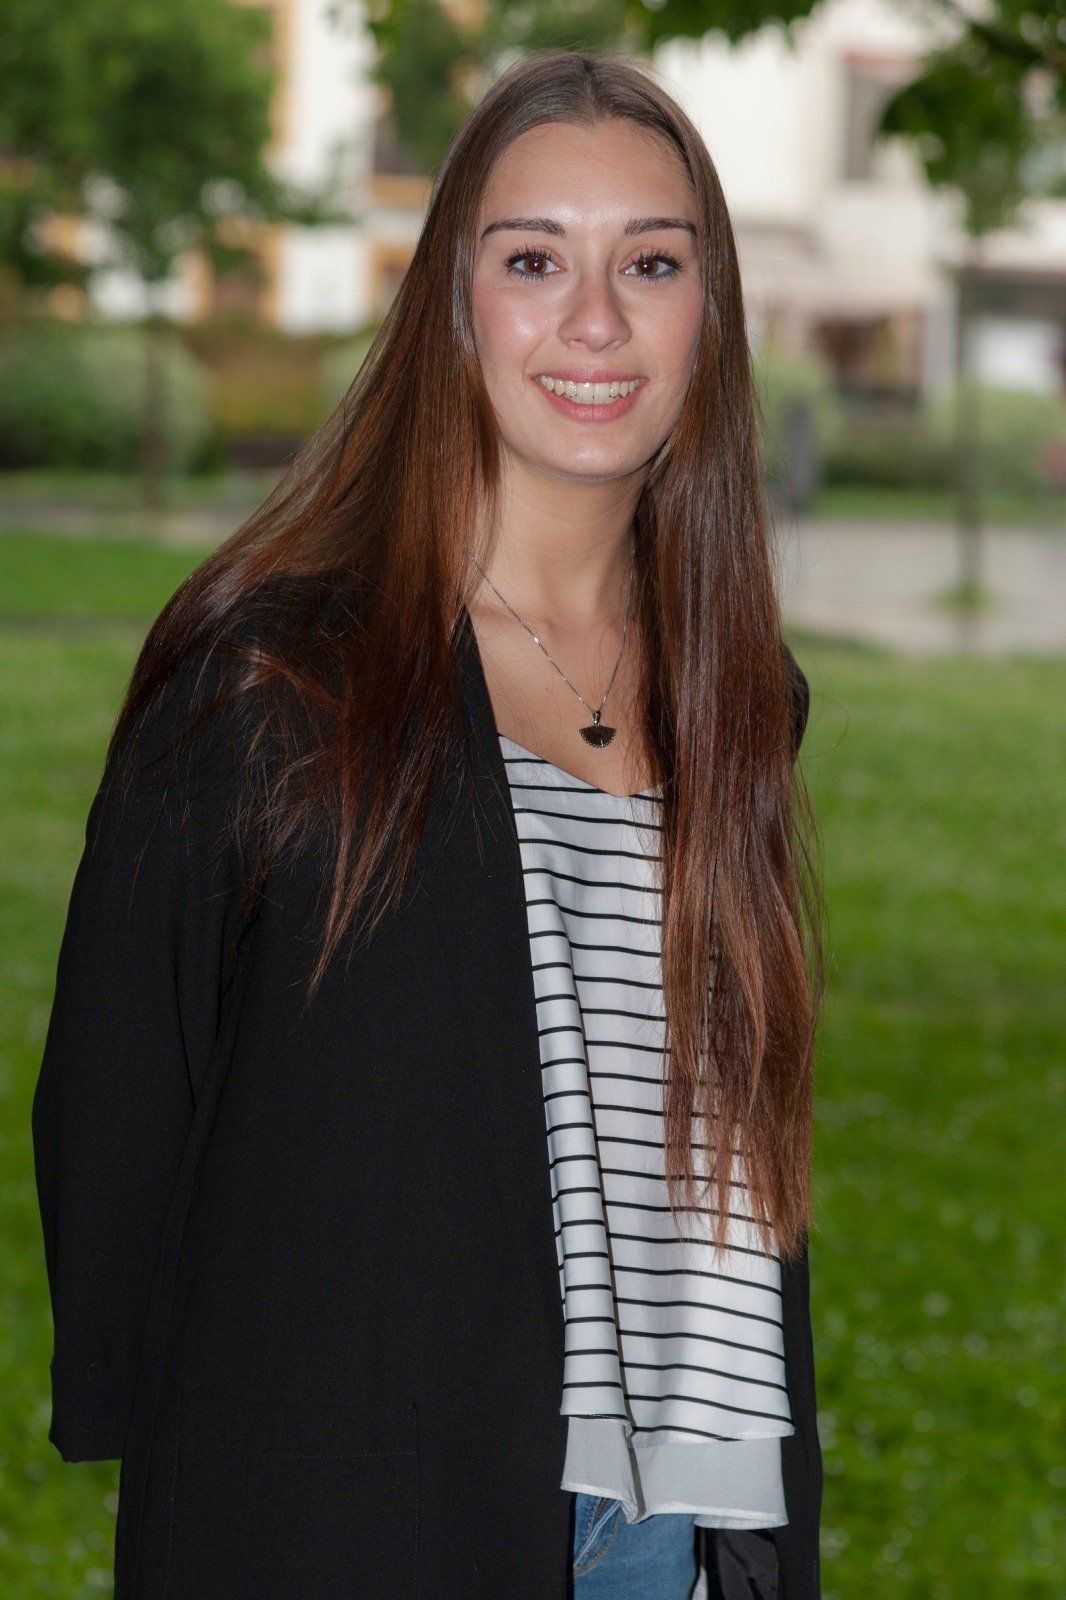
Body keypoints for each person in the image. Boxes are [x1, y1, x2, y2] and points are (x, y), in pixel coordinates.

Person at [30, 47, 824, 1600]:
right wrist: (190, 1466)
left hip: (677, 1524)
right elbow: (116, 1104)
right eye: (531, 261)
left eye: (649, 264)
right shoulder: (277, 672)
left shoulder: (740, 694)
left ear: (709, 314)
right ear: (450, 302)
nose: (592, 320)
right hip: (354, 1498)